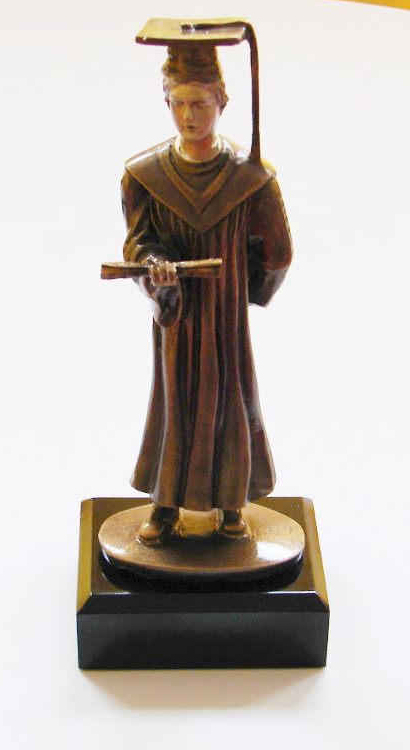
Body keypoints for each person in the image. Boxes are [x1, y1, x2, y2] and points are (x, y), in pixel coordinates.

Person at [121, 42, 293, 544]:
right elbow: (138, 242)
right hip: (178, 316)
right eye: (177, 102)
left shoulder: (250, 178)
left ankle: (231, 503)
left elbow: (277, 252)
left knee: (230, 401)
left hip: (224, 317)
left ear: (222, 102)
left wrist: (245, 291)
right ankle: (165, 505)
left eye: (199, 103)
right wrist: (156, 274)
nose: (188, 115)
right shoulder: (144, 176)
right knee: (175, 401)